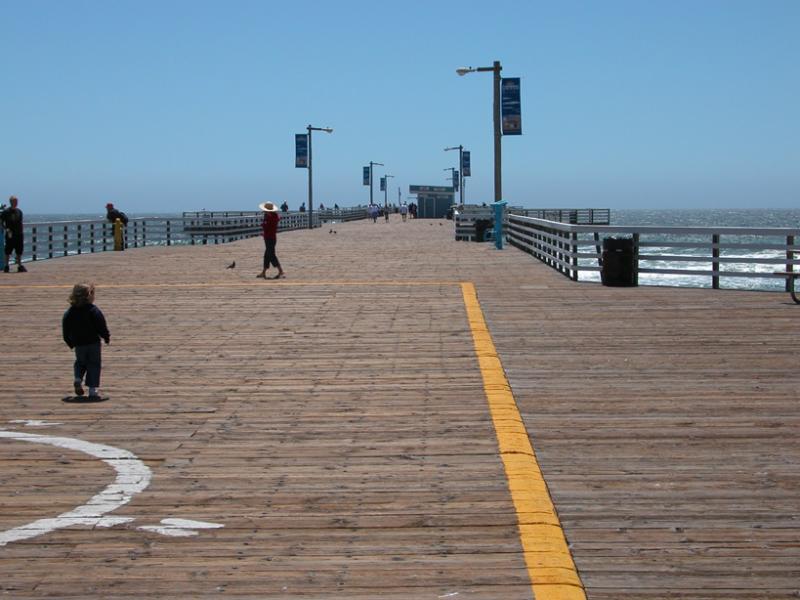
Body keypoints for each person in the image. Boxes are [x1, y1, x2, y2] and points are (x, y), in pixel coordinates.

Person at [62, 282, 110, 399]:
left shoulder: (70, 312)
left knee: (80, 362)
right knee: (94, 364)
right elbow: (101, 325)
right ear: (90, 296)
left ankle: (78, 378)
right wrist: (106, 336)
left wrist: (69, 342)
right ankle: (93, 391)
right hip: (93, 342)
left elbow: (66, 328)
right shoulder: (93, 310)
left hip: (79, 344)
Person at [256, 201, 285, 280]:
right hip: (268, 237)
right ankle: (263, 272)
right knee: (266, 256)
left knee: (271, 255)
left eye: (265, 210)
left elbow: (268, 226)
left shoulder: (273, 217)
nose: (264, 212)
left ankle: (281, 271)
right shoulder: (269, 216)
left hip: (271, 238)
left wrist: (263, 224)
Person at [1, 196, 26, 273]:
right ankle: (6, 266)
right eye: (14, 202)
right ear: (11, 202)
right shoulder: (6, 212)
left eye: (16, 202)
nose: (16, 203)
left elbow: (20, 222)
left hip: (19, 234)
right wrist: (6, 229)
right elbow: (1, 222)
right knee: (8, 250)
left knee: (19, 250)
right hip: (10, 234)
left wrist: (22, 231)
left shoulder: (19, 211)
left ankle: (19, 265)